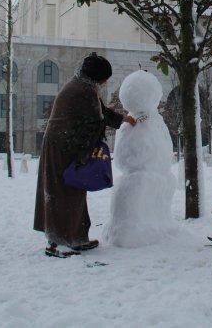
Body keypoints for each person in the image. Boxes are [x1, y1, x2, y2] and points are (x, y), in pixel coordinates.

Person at [34, 52, 136, 257]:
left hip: (63, 144)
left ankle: (75, 238)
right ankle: (59, 243)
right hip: (63, 146)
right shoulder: (83, 90)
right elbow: (96, 120)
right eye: (105, 77)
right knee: (64, 193)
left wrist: (123, 119)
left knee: (71, 191)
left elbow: (100, 112)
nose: (106, 81)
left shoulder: (83, 86)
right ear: (97, 76)